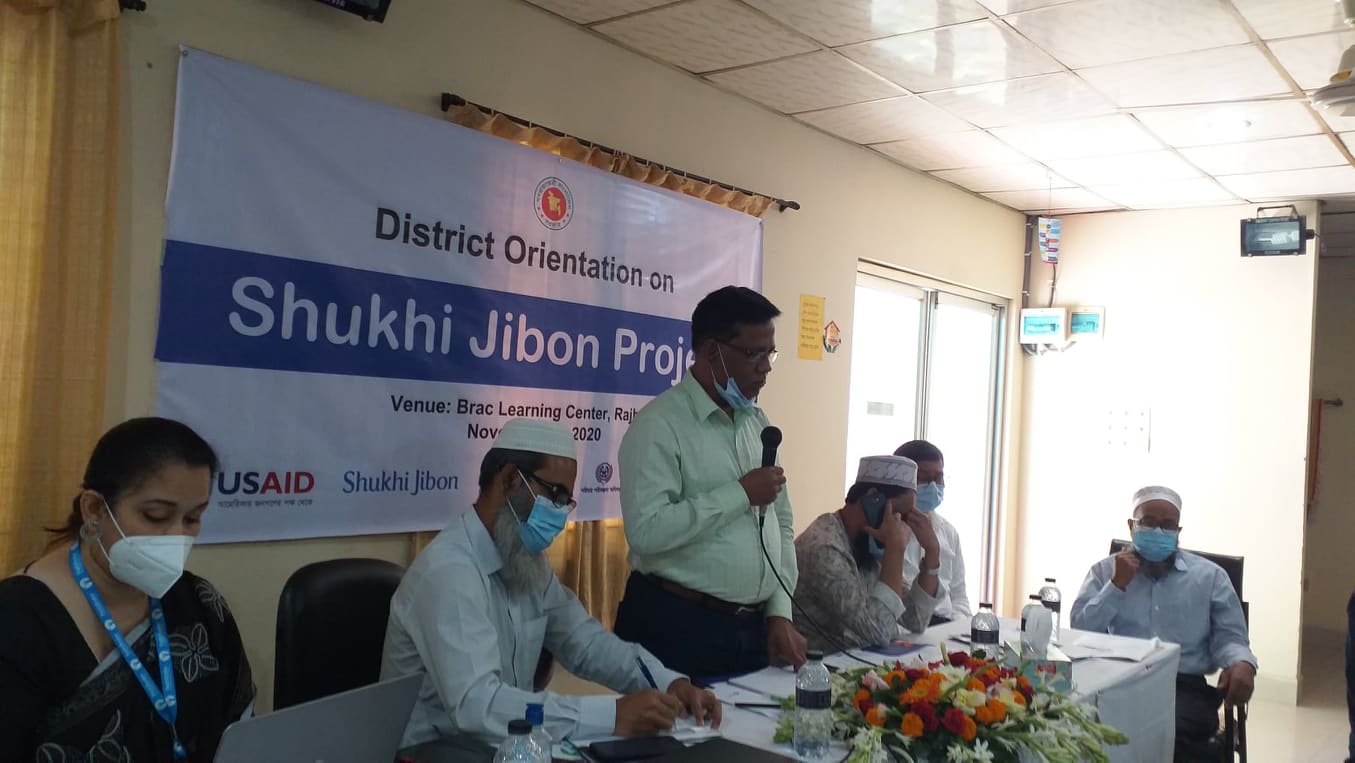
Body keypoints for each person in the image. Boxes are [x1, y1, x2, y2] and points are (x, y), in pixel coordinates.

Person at [380, 418, 720, 755]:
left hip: (507, 744)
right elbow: (477, 705)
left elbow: (586, 642)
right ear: (510, 479)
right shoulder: (449, 572)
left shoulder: (525, 562)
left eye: (565, 500)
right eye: (555, 494)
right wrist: (612, 715)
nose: (560, 512)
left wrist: (668, 682)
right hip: (434, 750)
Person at [0, 418, 255, 761]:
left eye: (193, 518)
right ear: (94, 509)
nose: (177, 536)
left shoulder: (200, 604)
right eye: (156, 516)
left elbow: (240, 733)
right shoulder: (18, 621)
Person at [614, 285, 806, 678]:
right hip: (677, 626)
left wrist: (779, 611)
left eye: (770, 353)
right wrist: (740, 494)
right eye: (753, 354)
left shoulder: (757, 423)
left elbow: (782, 523)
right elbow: (647, 531)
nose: (766, 368)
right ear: (710, 351)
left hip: (753, 630)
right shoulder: (659, 425)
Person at [1071, 486, 1256, 761]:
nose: (1158, 531)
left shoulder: (1210, 578)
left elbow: (1230, 637)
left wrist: (1242, 663)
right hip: (1118, 681)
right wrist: (1116, 586)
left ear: (1178, 532)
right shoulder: (1104, 571)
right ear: (1132, 526)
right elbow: (1080, 631)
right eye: (1148, 522)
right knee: (1076, 727)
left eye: (1168, 525)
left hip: (1182, 687)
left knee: (1164, 732)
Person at [792, 456, 942, 652]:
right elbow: (878, 631)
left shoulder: (867, 541)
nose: (903, 527)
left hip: (852, 658)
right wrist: (895, 551)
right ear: (873, 498)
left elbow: (915, 619)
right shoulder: (824, 549)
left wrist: (932, 552)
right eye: (898, 514)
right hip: (812, 665)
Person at [893, 440, 970, 621]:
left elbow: (959, 596)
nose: (933, 486)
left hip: (946, 626)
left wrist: (956, 627)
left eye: (938, 478)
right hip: (906, 627)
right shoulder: (886, 533)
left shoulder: (949, 532)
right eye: (924, 478)